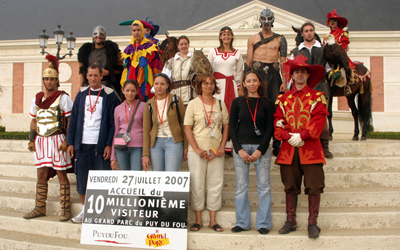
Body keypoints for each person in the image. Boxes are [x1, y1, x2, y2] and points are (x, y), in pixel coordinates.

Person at [274, 55, 329, 239]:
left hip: (310, 149)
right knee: (290, 186)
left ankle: (312, 223)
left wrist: (302, 135)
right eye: (296, 71)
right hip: (289, 149)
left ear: (307, 75)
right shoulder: (283, 99)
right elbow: (277, 121)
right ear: (292, 75)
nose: (299, 74)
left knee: (314, 186)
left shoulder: (317, 97)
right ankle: (291, 220)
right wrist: (287, 136)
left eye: (302, 72)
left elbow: (319, 119)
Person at [67, 65, 119, 223]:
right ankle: (85, 211)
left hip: (100, 145)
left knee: (102, 178)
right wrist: (70, 143)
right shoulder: (81, 94)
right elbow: (74, 120)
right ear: (87, 76)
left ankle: (103, 212)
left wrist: (109, 144)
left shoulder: (110, 95)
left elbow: (112, 123)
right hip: (82, 145)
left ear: (101, 76)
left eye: (96, 75)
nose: (93, 78)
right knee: (82, 179)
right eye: (90, 75)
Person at [24, 55, 73, 221]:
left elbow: (69, 120)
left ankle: (65, 209)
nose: (49, 81)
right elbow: (34, 120)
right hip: (41, 140)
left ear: (56, 80)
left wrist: (68, 140)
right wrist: (32, 139)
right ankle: (40, 207)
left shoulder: (63, 97)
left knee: (61, 175)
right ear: (43, 80)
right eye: (46, 79)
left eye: (52, 79)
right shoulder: (37, 99)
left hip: (58, 140)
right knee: (41, 175)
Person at [229, 71, 274, 234]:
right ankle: (242, 222)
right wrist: (238, 149)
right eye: (249, 81)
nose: (252, 83)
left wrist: (260, 150)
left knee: (264, 186)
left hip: (260, 149)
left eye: (255, 80)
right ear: (244, 84)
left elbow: (270, 128)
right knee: (241, 186)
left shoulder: (267, 103)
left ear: (260, 83)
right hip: (241, 148)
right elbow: (232, 128)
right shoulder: (238, 102)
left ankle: (263, 223)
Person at [184, 73, 229, 232]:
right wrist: (196, 148)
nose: (208, 86)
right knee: (197, 184)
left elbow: (226, 127)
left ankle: (212, 220)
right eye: (205, 83)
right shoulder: (193, 104)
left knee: (215, 184)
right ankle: (197, 220)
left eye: (211, 83)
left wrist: (222, 146)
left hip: (215, 152)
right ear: (200, 86)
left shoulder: (220, 104)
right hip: (197, 151)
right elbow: (187, 128)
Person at [245, 6, 287, 156]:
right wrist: (247, 80)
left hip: (275, 75)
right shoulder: (253, 38)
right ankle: (259, 141)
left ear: (273, 20)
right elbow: (249, 61)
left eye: (269, 19)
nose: (267, 22)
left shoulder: (280, 39)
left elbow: (283, 62)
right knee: (258, 108)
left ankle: (277, 143)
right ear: (260, 20)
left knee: (276, 109)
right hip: (257, 75)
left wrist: (285, 81)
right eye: (264, 19)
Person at [290, 22, 333, 158]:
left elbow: (329, 68)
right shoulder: (296, 51)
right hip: (302, 88)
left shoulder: (324, 49)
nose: (309, 33)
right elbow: (291, 71)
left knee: (321, 116)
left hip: (320, 87)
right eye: (306, 31)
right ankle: (306, 141)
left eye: (311, 30)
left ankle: (324, 145)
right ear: (302, 34)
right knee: (303, 114)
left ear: (314, 32)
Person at [208, 26, 244, 153]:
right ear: (220, 36)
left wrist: (238, 88)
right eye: (224, 34)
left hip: (231, 86)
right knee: (215, 113)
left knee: (230, 114)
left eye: (229, 34)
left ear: (232, 36)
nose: (226, 37)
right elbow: (208, 71)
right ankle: (214, 143)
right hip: (216, 87)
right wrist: (210, 87)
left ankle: (229, 145)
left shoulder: (237, 53)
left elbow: (239, 72)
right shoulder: (213, 52)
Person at [142, 73, 187, 171]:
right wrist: (145, 154)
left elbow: (184, 125)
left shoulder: (176, 100)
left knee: (170, 176)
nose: (159, 86)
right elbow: (146, 130)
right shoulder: (149, 104)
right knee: (158, 178)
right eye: (156, 83)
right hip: (156, 143)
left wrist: (186, 147)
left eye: (162, 84)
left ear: (167, 85)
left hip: (173, 142)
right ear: (153, 85)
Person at [121, 20, 162, 102]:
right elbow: (125, 70)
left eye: (138, 30)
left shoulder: (150, 47)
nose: (136, 32)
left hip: (146, 84)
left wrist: (157, 84)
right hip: (131, 84)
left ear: (142, 31)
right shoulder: (128, 49)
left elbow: (157, 67)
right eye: (134, 30)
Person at [78, 26, 123, 99]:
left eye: (101, 34)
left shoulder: (112, 51)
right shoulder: (86, 51)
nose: (98, 36)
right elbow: (82, 71)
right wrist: (80, 87)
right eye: (96, 34)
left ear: (104, 36)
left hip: (106, 84)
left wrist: (108, 72)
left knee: (116, 101)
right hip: (89, 84)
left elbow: (120, 69)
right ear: (93, 36)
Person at [111, 80, 145, 171]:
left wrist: (145, 154)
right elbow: (116, 131)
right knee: (123, 175)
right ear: (123, 90)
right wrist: (113, 156)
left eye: (133, 91)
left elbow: (146, 130)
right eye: (127, 90)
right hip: (121, 145)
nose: (130, 93)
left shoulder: (143, 106)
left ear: (137, 91)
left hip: (138, 146)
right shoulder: (118, 109)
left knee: (136, 175)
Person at [326, 9, 357, 95]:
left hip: (339, 56)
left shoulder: (343, 33)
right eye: (330, 21)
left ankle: (347, 85)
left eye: (334, 21)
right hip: (329, 57)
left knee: (343, 67)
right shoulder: (328, 35)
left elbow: (343, 47)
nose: (332, 23)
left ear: (337, 23)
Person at [162, 35, 195, 105]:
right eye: (181, 44)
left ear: (188, 45)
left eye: (186, 44)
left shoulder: (194, 60)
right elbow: (164, 77)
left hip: (190, 96)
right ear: (178, 46)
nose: (184, 46)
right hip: (174, 97)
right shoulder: (171, 61)